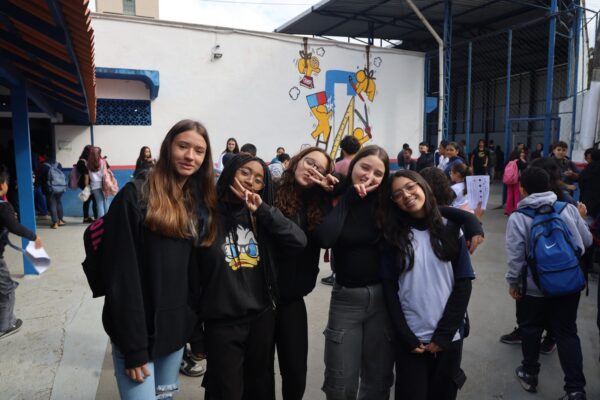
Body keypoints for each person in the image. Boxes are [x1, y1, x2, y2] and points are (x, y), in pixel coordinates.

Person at [101, 119, 218, 399]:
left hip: (174, 335)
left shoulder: (194, 202)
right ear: (168, 148)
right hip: (138, 335)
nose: (190, 156)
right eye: (183, 146)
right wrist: (134, 347)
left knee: (165, 397)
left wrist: (194, 334)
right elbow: (121, 278)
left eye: (199, 151)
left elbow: (191, 278)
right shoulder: (134, 196)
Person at [192, 153, 307, 400]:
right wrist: (195, 334)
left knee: (260, 389)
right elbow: (190, 281)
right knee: (226, 391)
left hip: (261, 320)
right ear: (229, 172)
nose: (250, 181)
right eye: (244, 172)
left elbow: (299, 241)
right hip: (222, 324)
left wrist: (264, 210)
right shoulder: (203, 215)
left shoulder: (260, 216)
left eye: (258, 179)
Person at [379, 170, 474, 400]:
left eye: (410, 187)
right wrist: (406, 336)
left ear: (423, 186)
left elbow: (463, 284)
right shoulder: (392, 236)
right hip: (412, 339)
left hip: (449, 337)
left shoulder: (451, 227)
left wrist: (443, 335)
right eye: (398, 194)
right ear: (393, 202)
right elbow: (389, 290)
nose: (406, 195)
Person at [505, 167, 591, 400]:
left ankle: (529, 374)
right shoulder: (567, 209)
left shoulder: (518, 217)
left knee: (531, 329)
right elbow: (585, 242)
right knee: (567, 333)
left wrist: (513, 283)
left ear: (522, 189)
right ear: (549, 186)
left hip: (534, 288)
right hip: (568, 284)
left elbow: (515, 258)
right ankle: (575, 390)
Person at [272, 146, 337, 400]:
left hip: (292, 299)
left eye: (320, 169)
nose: (313, 170)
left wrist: (330, 191)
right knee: (259, 371)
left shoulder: (317, 203)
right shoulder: (272, 190)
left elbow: (327, 239)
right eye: (310, 162)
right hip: (261, 298)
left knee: (296, 371)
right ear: (297, 161)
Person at [0, 168, 43, 340]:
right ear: (2, 186)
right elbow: (15, 227)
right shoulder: (4, 207)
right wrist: (34, 237)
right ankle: (5, 326)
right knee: (7, 290)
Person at [38, 157, 66, 229]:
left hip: (50, 188)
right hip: (60, 187)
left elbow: (40, 178)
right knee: (58, 202)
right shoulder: (58, 164)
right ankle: (60, 220)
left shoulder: (44, 166)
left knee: (52, 204)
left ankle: (55, 223)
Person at [77, 145, 97, 223]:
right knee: (94, 200)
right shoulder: (83, 162)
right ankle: (96, 218)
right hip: (87, 184)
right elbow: (86, 174)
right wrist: (87, 186)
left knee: (87, 200)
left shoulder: (81, 161)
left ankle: (86, 218)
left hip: (86, 184)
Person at [504, 149, 527, 215]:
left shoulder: (509, 161)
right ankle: (516, 209)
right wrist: (523, 161)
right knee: (517, 195)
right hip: (517, 180)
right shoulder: (519, 161)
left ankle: (508, 210)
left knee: (509, 195)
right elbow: (524, 168)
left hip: (509, 180)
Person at [87, 147, 108, 218]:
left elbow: (89, 175)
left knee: (99, 203)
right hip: (103, 184)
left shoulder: (88, 162)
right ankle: (107, 219)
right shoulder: (103, 161)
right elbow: (105, 174)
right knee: (105, 201)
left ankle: (101, 220)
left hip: (94, 185)